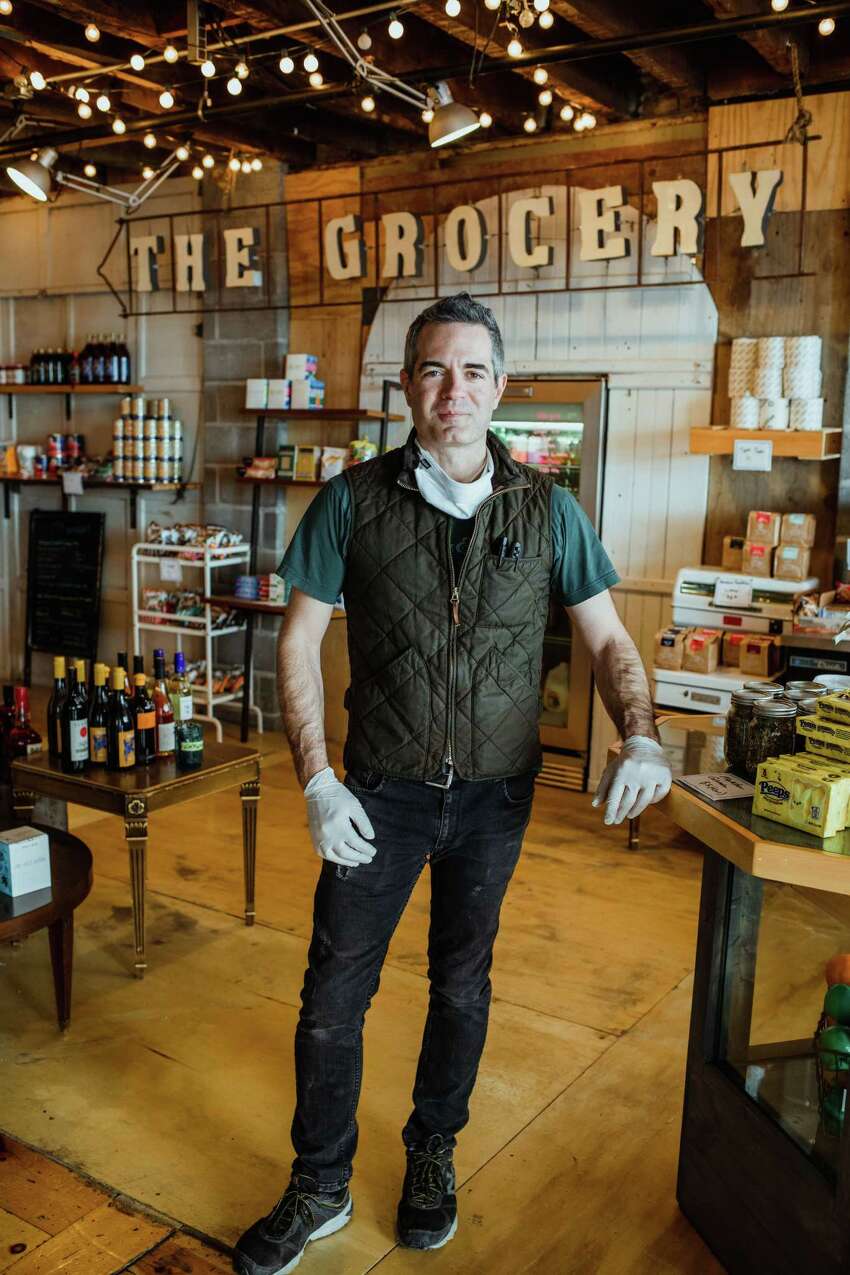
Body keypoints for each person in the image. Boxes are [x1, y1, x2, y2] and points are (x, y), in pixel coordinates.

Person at [232, 293, 671, 1275]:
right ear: (406, 387)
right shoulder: (350, 500)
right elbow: (298, 643)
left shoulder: (547, 507)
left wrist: (640, 736)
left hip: (493, 796)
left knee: (461, 984)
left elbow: (604, 637)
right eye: (433, 369)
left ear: (499, 388)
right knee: (330, 997)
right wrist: (313, 779)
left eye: (472, 371)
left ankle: (431, 1152)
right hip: (377, 791)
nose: (453, 390)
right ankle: (320, 1182)